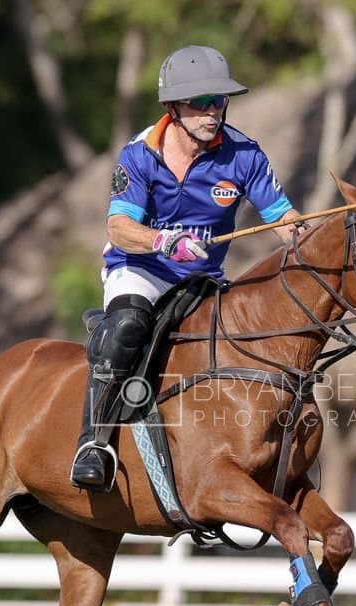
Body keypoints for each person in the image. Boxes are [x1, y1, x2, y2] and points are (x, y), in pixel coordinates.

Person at [71, 44, 302, 489]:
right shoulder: (139, 154)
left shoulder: (245, 156)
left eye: (219, 101)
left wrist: (325, 237)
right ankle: (93, 443)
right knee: (128, 328)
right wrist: (163, 241)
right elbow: (119, 229)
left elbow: (285, 223)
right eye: (200, 103)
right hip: (139, 269)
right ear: (172, 107)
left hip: (204, 279)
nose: (212, 112)